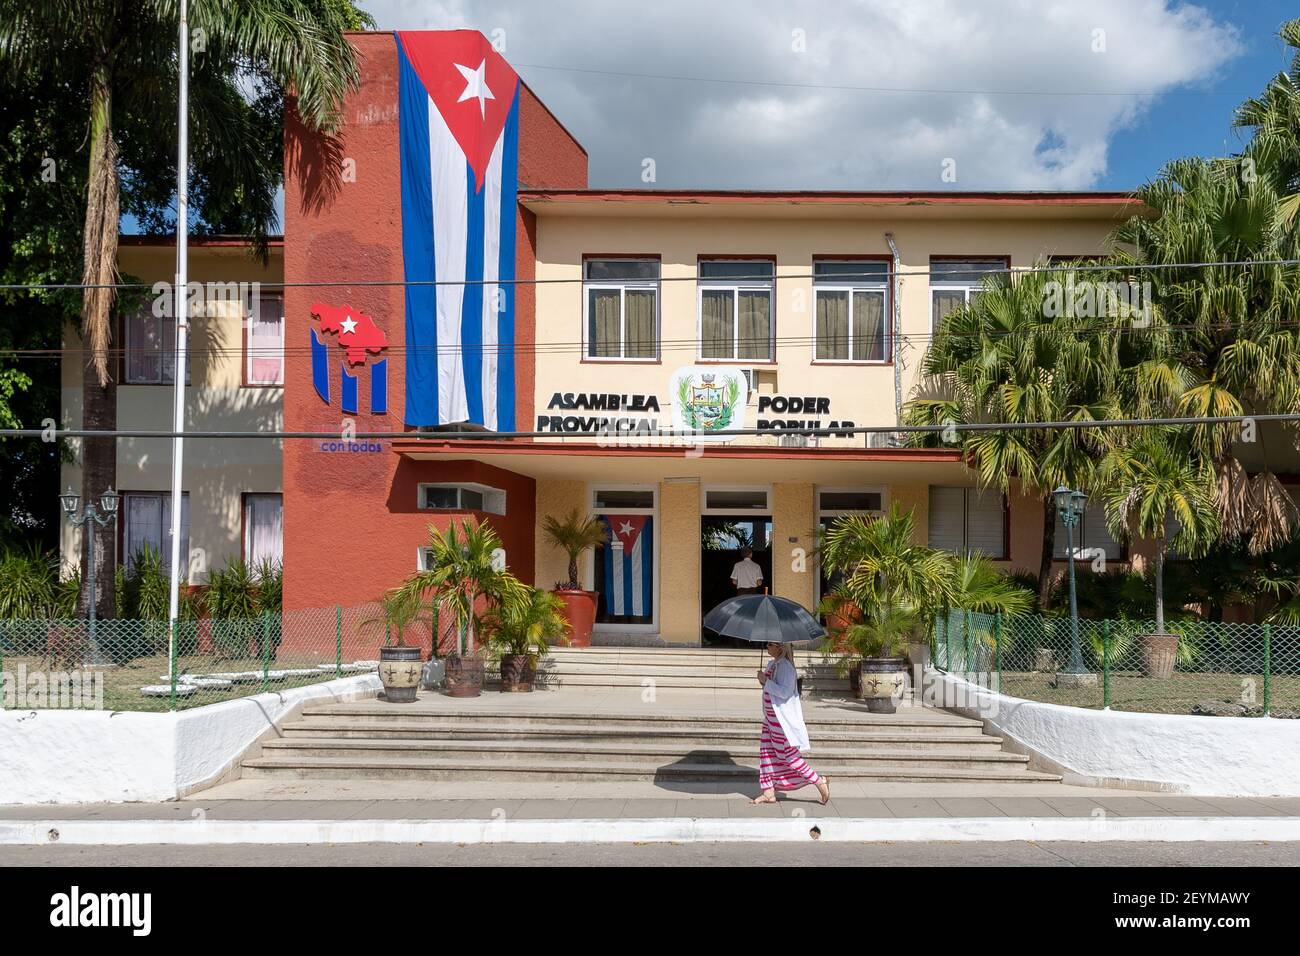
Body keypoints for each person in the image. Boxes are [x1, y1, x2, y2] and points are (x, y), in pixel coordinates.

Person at [751, 642, 830, 805]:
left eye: (770, 644)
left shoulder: (786, 667)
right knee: (766, 754)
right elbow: (770, 689)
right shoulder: (772, 664)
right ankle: (768, 792)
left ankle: (819, 781)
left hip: (782, 721)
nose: (767, 646)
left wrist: (766, 682)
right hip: (770, 719)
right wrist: (764, 681)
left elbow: (785, 692)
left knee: (789, 756)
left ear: (779, 647)